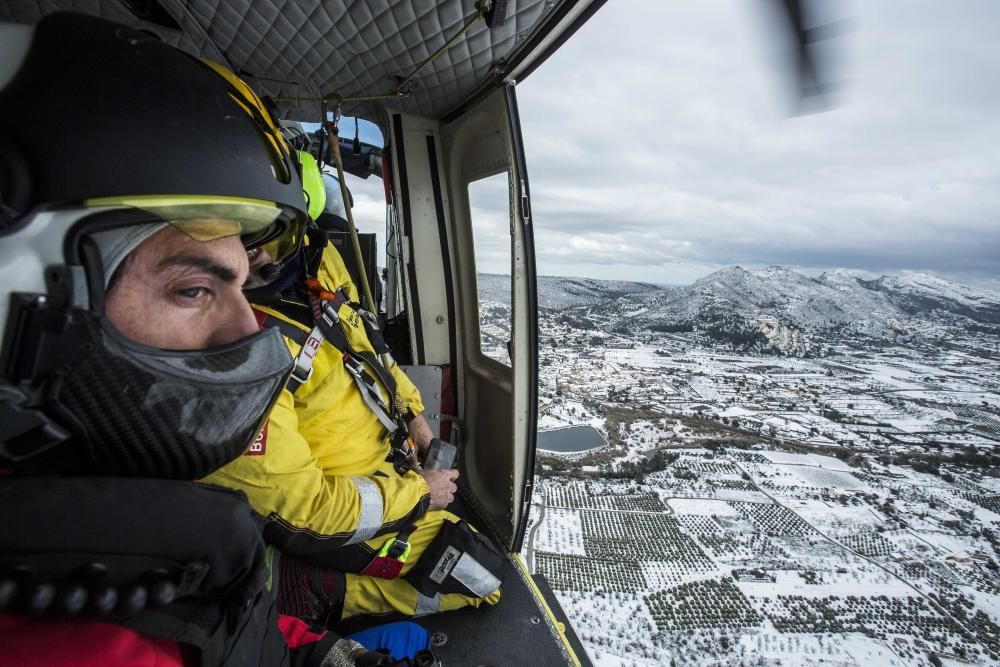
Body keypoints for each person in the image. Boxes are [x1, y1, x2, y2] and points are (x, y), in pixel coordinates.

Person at [0, 13, 430, 666]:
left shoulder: (133, 518)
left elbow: (219, 621)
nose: (247, 328)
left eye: (243, 278)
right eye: (193, 289)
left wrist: (321, 655)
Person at [204, 153, 504, 624]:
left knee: (473, 550)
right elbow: (303, 513)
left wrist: (416, 421)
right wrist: (419, 495)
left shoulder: (318, 263)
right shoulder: (227, 354)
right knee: (484, 578)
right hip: (344, 509)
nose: (245, 253)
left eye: (261, 231)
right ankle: (318, 589)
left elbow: (370, 346)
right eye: (223, 234)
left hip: (391, 468)